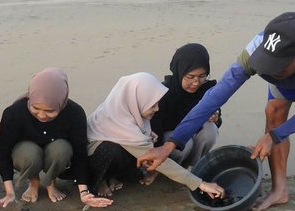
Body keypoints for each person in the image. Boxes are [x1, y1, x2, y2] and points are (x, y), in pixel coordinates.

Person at [137, 12, 295, 211]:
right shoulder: (258, 46)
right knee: (274, 112)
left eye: (277, 67)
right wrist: (170, 145)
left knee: (276, 131)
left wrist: (275, 135)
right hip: (289, 81)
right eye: (267, 65)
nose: (270, 72)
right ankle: (280, 190)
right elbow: (214, 98)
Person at [0, 67, 113, 211]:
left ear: (62, 102)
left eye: (50, 111)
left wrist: (84, 193)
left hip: (57, 151)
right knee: (28, 153)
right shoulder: (14, 113)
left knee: (61, 149)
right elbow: (3, 151)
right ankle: (34, 181)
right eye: (35, 108)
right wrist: (10, 193)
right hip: (26, 153)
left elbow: (80, 153)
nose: (42, 115)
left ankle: (51, 183)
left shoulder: (74, 113)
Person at [86, 72, 225, 199]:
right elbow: (159, 160)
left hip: (121, 152)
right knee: (112, 149)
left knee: (137, 152)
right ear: (137, 100)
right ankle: (99, 180)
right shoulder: (116, 119)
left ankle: (114, 176)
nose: (157, 109)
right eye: (153, 105)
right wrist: (200, 184)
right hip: (90, 163)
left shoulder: (130, 109)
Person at [151, 43, 222, 168]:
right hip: (168, 140)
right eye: (190, 77)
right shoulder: (164, 92)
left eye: (202, 76)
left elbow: (217, 120)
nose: (196, 82)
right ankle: (172, 170)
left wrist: (215, 118)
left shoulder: (208, 89)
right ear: (180, 72)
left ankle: (196, 167)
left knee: (210, 129)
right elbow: (155, 129)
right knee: (184, 144)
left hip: (193, 134)